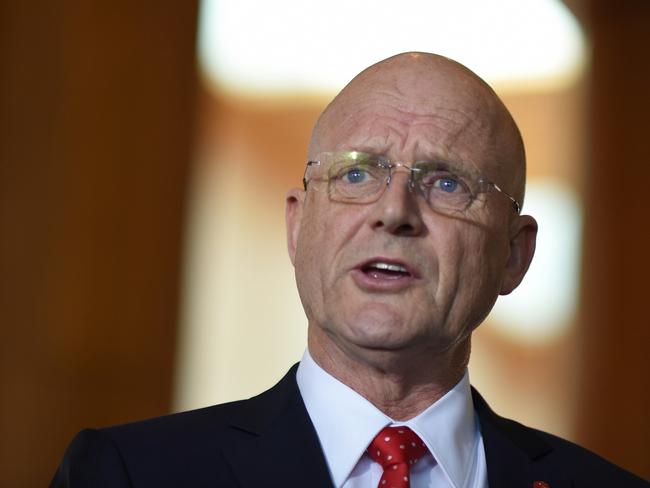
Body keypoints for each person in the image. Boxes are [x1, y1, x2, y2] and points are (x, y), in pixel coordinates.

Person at [50, 52, 648, 488]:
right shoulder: (131, 473)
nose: (394, 213)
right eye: (357, 174)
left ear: (514, 255)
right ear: (297, 225)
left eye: (445, 183)